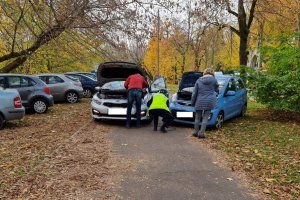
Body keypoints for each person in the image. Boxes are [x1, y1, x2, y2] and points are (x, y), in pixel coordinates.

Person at [191, 68, 219, 138]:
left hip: (200, 100)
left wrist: (192, 102)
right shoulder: (214, 80)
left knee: (197, 118)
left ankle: (195, 132)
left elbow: (194, 93)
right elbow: (217, 90)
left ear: (205, 72)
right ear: (212, 73)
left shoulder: (199, 80)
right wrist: (215, 94)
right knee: (205, 118)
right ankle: (201, 134)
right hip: (210, 101)